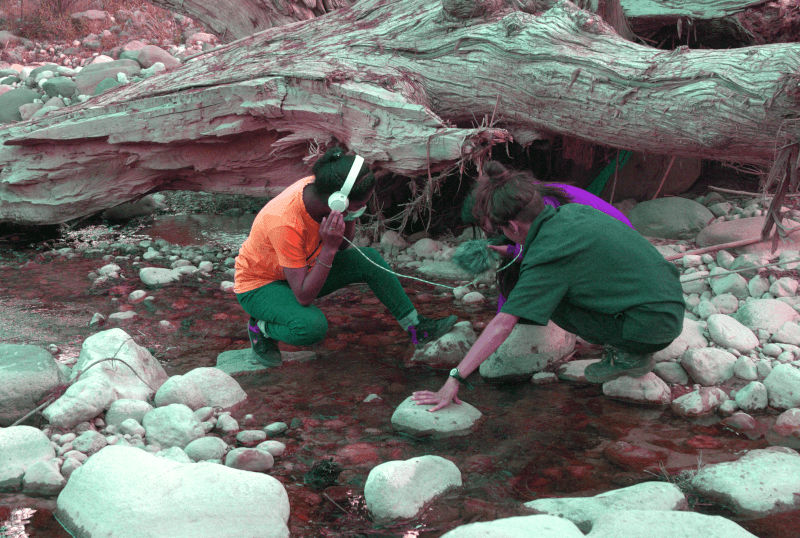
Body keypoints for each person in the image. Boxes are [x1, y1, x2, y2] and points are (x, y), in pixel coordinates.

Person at [412, 162, 685, 411]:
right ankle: (631, 343)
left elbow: (504, 323)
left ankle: (629, 354)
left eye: (500, 230)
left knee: (552, 302)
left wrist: (455, 378)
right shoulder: (570, 211)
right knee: (552, 292)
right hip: (666, 302)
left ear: (512, 226)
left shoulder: (548, 253)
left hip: (652, 326)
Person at [234, 147, 458, 365]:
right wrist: (328, 248)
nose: (364, 208)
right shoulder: (284, 222)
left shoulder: (326, 196)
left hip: (299, 271)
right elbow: (304, 295)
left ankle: (416, 327)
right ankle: (261, 328)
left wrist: (350, 216)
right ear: (338, 201)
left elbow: (343, 247)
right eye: (360, 205)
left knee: (368, 259)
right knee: (310, 327)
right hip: (260, 285)